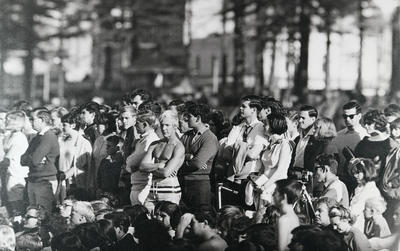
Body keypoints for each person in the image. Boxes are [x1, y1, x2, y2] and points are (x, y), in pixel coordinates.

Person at [246, 113, 293, 209]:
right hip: (263, 184)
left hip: (276, 186)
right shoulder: (269, 144)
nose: (263, 125)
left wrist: (265, 186)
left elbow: (280, 170)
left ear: (273, 126)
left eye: (266, 124)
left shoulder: (284, 145)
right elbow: (264, 169)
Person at [140, 110, 185, 207]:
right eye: (162, 125)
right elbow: (142, 167)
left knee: (167, 219)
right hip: (153, 189)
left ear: (175, 126)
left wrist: (150, 169)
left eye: (167, 125)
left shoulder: (178, 146)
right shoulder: (155, 144)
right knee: (146, 217)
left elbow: (166, 173)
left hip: (170, 190)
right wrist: (159, 165)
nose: (164, 128)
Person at [180, 103, 219, 213]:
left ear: (198, 118)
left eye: (189, 116)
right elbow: (174, 155)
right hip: (183, 183)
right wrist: (189, 157)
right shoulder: (187, 135)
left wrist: (179, 163)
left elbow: (197, 163)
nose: (186, 119)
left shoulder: (209, 138)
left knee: (200, 217)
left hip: (200, 186)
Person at [21, 108, 60, 212]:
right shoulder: (37, 137)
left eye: (33, 119)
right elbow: (22, 159)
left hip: (44, 181)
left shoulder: (48, 136)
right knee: (33, 215)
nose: (30, 122)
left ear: (42, 120)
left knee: (44, 215)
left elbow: (34, 160)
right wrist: (33, 158)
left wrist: (32, 158)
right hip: (34, 179)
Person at [126, 111, 159, 205]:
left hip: (143, 185)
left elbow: (135, 162)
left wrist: (130, 164)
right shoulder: (142, 140)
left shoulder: (150, 139)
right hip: (137, 183)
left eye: (137, 124)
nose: (135, 126)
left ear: (145, 124)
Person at [335, 101, 369, 194]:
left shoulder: (365, 136)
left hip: (358, 182)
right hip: (340, 181)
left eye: (351, 116)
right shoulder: (338, 136)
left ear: (359, 116)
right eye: (345, 116)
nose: (348, 119)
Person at [0, 111, 29, 215]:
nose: (5, 121)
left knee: (16, 207)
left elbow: (7, 159)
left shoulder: (19, 137)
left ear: (16, 122)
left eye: (8, 119)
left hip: (16, 175)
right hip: (10, 174)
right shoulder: (12, 135)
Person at [58, 112, 92, 201]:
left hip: (76, 182)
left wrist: (66, 174)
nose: (61, 127)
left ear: (72, 125)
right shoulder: (62, 140)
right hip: (62, 180)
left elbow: (81, 164)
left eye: (64, 125)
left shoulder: (83, 142)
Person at [349, 158, 385, 232]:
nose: (355, 176)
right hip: (359, 222)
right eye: (354, 173)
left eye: (358, 172)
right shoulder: (360, 187)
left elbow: (355, 210)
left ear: (366, 172)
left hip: (371, 227)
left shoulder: (369, 188)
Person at [273, 179, 302, 251]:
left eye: (275, 192)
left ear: (284, 196)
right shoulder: (294, 216)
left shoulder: (284, 219)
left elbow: (281, 249)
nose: (273, 195)